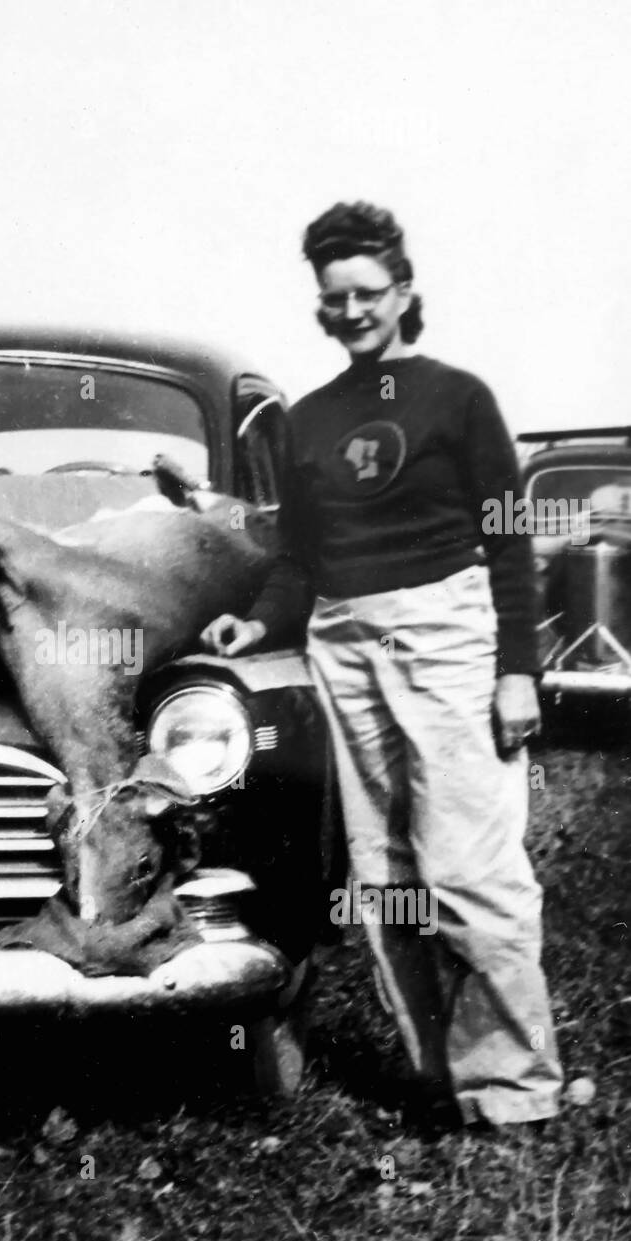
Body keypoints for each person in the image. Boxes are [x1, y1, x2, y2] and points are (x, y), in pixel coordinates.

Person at [203, 201, 563, 1128]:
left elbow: (509, 535)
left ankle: (517, 1085)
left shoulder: (459, 396)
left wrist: (516, 667)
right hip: (345, 640)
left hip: (447, 631)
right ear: (320, 308)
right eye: (335, 298)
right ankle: (444, 1072)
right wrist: (256, 623)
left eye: (369, 292)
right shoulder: (308, 420)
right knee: (388, 871)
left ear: (405, 293)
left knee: (469, 864)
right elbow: (301, 558)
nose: (353, 310)